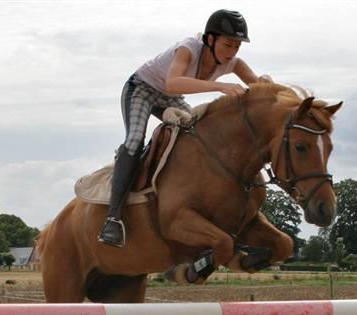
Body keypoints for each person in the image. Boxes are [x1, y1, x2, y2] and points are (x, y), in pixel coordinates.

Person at [98, 9, 273, 247]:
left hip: (169, 99)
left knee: (199, 134)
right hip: (142, 89)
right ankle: (113, 218)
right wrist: (219, 87)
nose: (232, 52)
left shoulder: (234, 63)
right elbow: (173, 82)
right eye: (228, 45)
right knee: (136, 138)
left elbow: (260, 88)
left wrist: (267, 83)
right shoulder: (188, 47)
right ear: (210, 39)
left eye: (237, 47)